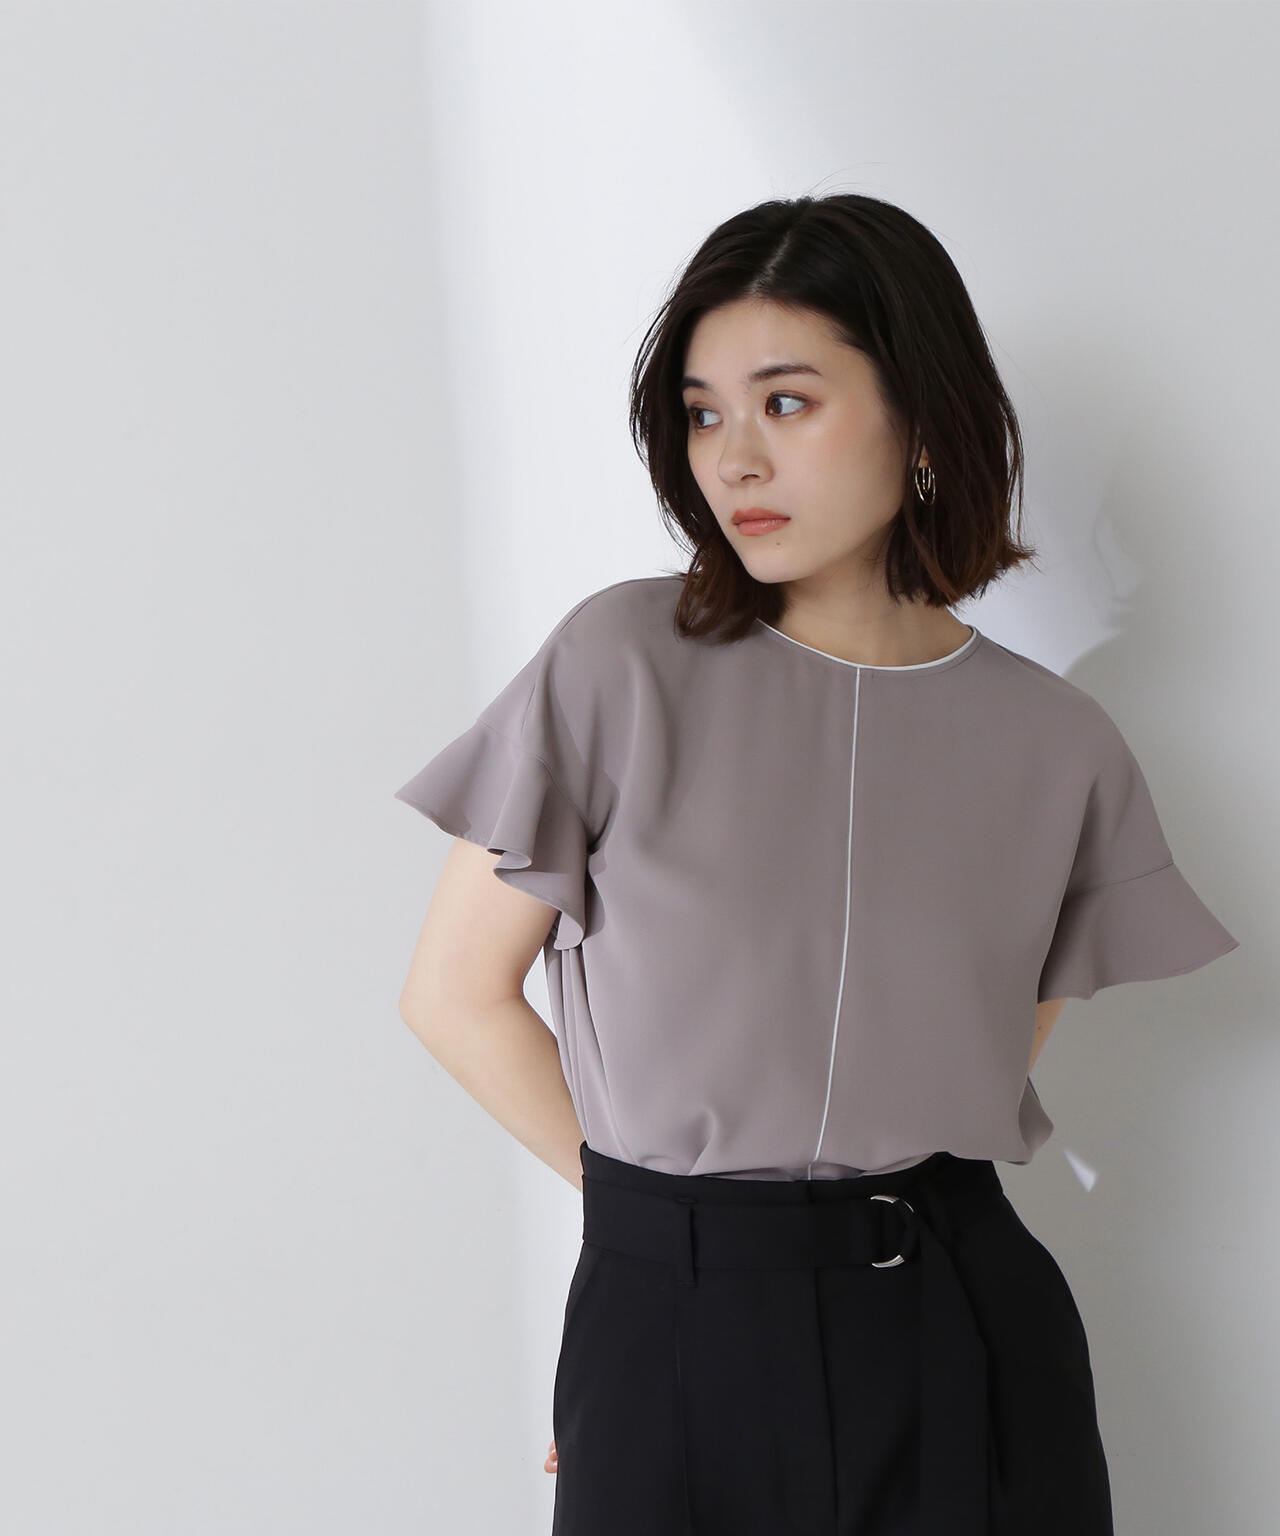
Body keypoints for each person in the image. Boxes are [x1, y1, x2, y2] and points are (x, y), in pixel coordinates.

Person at [392, 192, 1239, 1535]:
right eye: (702, 413)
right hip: (677, 1318)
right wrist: (660, 1263)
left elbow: (975, 1067)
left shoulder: (1057, 743)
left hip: (967, 1334)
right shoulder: (619, 665)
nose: (734, 459)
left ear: (922, 419)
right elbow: (454, 996)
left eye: (786, 403)